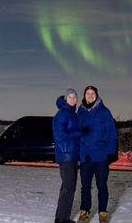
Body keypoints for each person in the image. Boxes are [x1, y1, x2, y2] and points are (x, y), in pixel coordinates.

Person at [77, 85, 117, 223]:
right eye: (87, 93)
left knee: (102, 185)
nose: (90, 96)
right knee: (85, 186)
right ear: (84, 95)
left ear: (96, 95)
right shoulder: (80, 112)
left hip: (101, 156)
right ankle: (84, 211)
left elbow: (112, 134)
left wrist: (111, 153)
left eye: (92, 93)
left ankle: (103, 213)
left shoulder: (104, 112)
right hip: (85, 156)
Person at [53, 88, 82, 223]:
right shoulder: (62, 114)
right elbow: (61, 136)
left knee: (67, 187)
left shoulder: (72, 114)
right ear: (65, 99)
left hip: (72, 155)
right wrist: (80, 133)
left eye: (75, 97)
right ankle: (61, 219)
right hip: (66, 155)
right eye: (70, 97)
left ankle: (61, 217)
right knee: (69, 188)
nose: (73, 99)